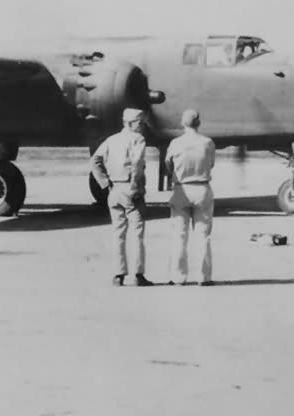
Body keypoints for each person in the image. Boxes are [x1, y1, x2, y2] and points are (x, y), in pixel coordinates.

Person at [91, 108, 154, 286]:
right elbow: (137, 164)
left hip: (115, 190)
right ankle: (138, 275)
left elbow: (95, 161)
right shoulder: (138, 139)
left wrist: (105, 183)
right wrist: (135, 187)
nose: (142, 126)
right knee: (137, 233)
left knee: (118, 233)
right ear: (130, 123)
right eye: (140, 123)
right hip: (130, 189)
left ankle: (118, 275)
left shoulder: (111, 140)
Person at [165, 109, 216, 286]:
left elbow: (168, 165)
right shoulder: (207, 142)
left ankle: (178, 278)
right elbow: (211, 163)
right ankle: (204, 278)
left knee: (179, 235)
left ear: (182, 123)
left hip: (181, 189)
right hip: (202, 188)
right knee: (203, 236)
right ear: (199, 123)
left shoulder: (175, 143)